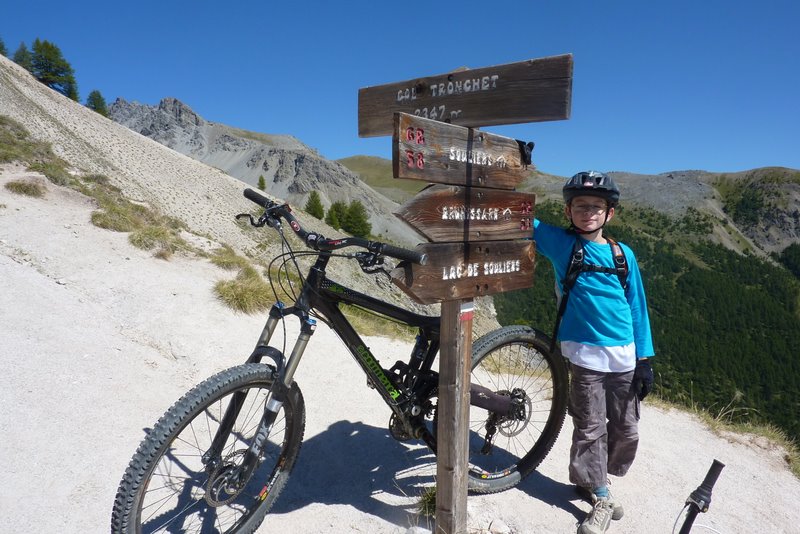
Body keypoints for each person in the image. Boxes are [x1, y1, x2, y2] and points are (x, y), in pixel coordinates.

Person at [533, 171, 655, 534]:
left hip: (625, 356)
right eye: (581, 206)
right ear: (568, 211)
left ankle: (593, 477)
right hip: (584, 355)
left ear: (609, 213)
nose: (588, 212)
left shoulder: (623, 254)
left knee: (627, 429)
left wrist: (644, 359)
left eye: (597, 206)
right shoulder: (561, 244)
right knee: (589, 427)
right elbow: (520, 218)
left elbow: (637, 306)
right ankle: (600, 492)